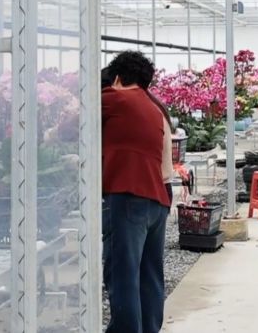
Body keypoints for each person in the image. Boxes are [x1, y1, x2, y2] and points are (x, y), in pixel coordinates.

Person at [101, 51, 172, 333]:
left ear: (117, 78)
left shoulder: (117, 98)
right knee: (149, 276)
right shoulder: (155, 108)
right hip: (158, 200)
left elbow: (71, 124)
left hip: (128, 197)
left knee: (123, 275)